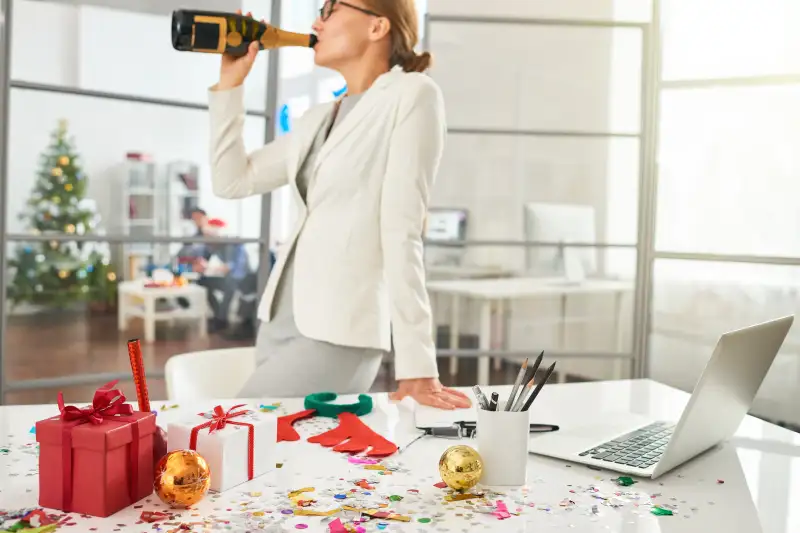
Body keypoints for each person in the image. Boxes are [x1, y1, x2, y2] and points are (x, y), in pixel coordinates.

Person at [207, 0, 471, 410]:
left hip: (340, 329)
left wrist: (417, 366)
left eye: (330, 9)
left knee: (226, 430)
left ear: (378, 26)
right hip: (279, 319)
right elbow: (232, 181)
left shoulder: (411, 95)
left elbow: (402, 231)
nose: (317, 21)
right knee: (270, 462)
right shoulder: (315, 118)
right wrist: (231, 83)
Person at [194, 218, 255, 336]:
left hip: (243, 278)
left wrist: (208, 268)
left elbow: (229, 268)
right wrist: (201, 266)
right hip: (229, 278)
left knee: (230, 285)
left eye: (208, 237)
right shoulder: (212, 246)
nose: (206, 241)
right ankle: (219, 315)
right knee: (202, 282)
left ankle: (221, 320)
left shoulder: (231, 244)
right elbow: (202, 263)